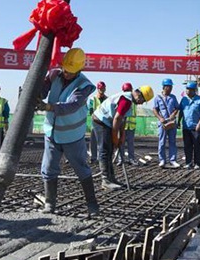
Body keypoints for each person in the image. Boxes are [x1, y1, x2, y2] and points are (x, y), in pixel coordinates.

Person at [37, 48, 100, 213]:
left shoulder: (84, 85)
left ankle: (92, 204)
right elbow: (43, 91)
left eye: (71, 72)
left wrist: (49, 107)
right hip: (51, 132)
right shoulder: (54, 74)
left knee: (81, 168)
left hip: (72, 136)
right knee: (48, 167)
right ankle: (50, 203)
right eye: (65, 69)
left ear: (79, 70)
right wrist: (38, 88)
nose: (66, 74)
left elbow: (72, 105)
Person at [92, 78, 154, 189]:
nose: (141, 104)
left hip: (107, 122)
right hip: (101, 121)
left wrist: (122, 138)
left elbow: (122, 120)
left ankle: (111, 178)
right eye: (143, 101)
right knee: (105, 149)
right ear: (139, 96)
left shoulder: (128, 100)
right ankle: (105, 180)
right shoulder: (126, 100)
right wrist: (115, 137)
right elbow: (116, 119)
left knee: (110, 149)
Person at [179, 82, 200, 169]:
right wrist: (178, 122)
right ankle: (188, 162)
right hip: (186, 127)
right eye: (187, 89)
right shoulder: (184, 100)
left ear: (194, 90)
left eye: (190, 89)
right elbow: (181, 111)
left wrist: (199, 124)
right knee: (187, 146)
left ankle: (197, 163)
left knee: (197, 145)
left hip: (196, 127)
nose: (188, 91)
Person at [153, 78, 180, 168]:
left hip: (171, 122)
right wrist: (160, 118)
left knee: (172, 142)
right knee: (162, 142)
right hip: (162, 123)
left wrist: (173, 114)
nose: (171, 88)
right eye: (169, 86)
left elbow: (177, 108)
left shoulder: (173, 97)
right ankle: (162, 160)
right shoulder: (158, 98)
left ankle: (173, 160)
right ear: (164, 87)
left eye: (171, 86)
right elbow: (155, 109)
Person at [87, 81, 108, 165]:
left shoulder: (107, 99)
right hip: (95, 122)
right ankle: (93, 157)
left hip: (104, 123)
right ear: (97, 89)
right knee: (93, 141)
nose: (102, 90)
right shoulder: (92, 99)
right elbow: (91, 111)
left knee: (102, 142)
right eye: (100, 89)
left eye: (103, 89)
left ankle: (100, 158)